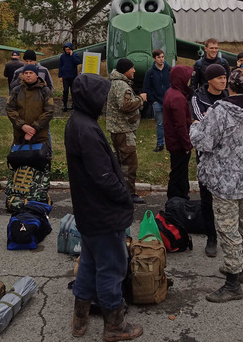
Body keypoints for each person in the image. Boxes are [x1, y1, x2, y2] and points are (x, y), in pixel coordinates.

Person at [65, 74, 141, 341]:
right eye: (103, 96)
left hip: (89, 211)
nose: (106, 102)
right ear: (91, 98)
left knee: (88, 262)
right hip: (102, 212)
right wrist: (124, 196)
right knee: (111, 267)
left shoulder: (79, 121)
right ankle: (114, 326)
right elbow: (103, 176)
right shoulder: (86, 129)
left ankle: (80, 320)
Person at [190, 68, 243, 303]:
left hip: (223, 179)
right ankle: (239, 268)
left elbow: (203, 141)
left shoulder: (220, 111)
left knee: (227, 229)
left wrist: (194, 126)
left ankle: (232, 283)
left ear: (230, 85)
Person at [190, 63, 229, 257]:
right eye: (220, 77)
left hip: (226, 155)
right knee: (207, 199)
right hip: (206, 155)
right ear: (210, 80)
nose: (224, 80)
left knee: (228, 198)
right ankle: (211, 237)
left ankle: (231, 235)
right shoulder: (199, 98)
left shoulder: (229, 96)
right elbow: (201, 122)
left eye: (225, 77)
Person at [106, 58, 147, 204]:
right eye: (132, 68)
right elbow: (125, 105)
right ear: (125, 70)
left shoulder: (117, 83)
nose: (134, 71)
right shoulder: (122, 86)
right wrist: (141, 99)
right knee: (130, 163)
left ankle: (118, 191)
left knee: (119, 161)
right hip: (123, 130)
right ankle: (129, 194)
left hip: (119, 129)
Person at [162, 65, 194, 200]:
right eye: (187, 78)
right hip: (179, 144)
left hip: (173, 141)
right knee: (179, 174)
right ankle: (177, 201)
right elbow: (180, 125)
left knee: (178, 171)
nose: (189, 81)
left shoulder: (171, 92)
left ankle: (178, 200)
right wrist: (187, 145)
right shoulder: (178, 98)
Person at [6, 64, 54, 148]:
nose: (28, 75)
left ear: (36, 75)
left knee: (40, 158)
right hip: (20, 135)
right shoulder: (16, 91)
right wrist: (22, 125)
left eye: (31, 73)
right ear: (23, 75)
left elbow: (49, 111)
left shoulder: (45, 91)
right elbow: (10, 109)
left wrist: (34, 128)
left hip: (40, 135)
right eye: (26, 73)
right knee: (19, 158)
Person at [143, 48, 171, 152]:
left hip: (169, 101)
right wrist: (153, 101)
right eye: (159, 57)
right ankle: (160, 144)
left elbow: (174, 83)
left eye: (162, 57)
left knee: (171, 123)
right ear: (154, 58)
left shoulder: (169, 69)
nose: (161, 59)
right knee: (160, 124)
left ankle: (171, 143)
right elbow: (146, 88)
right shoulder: (150, 72)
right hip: (157, 102)